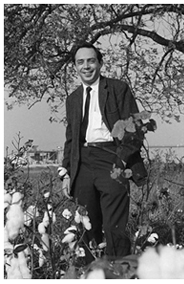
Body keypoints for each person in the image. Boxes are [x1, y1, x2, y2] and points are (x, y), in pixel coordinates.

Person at [58, 42, 142, 264]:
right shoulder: (73, 99)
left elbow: (135, 129)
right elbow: (71, 138)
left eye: (91, 61)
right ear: (75, 67)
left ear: (100, 63)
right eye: (80, 62)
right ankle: (91, 273)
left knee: (115, 226)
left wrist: (121, 161)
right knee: (86, 224)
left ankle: (122, 273)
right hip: (83, 162)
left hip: (112, 158)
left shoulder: (118, 89)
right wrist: (66, 172)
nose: (86, 66)